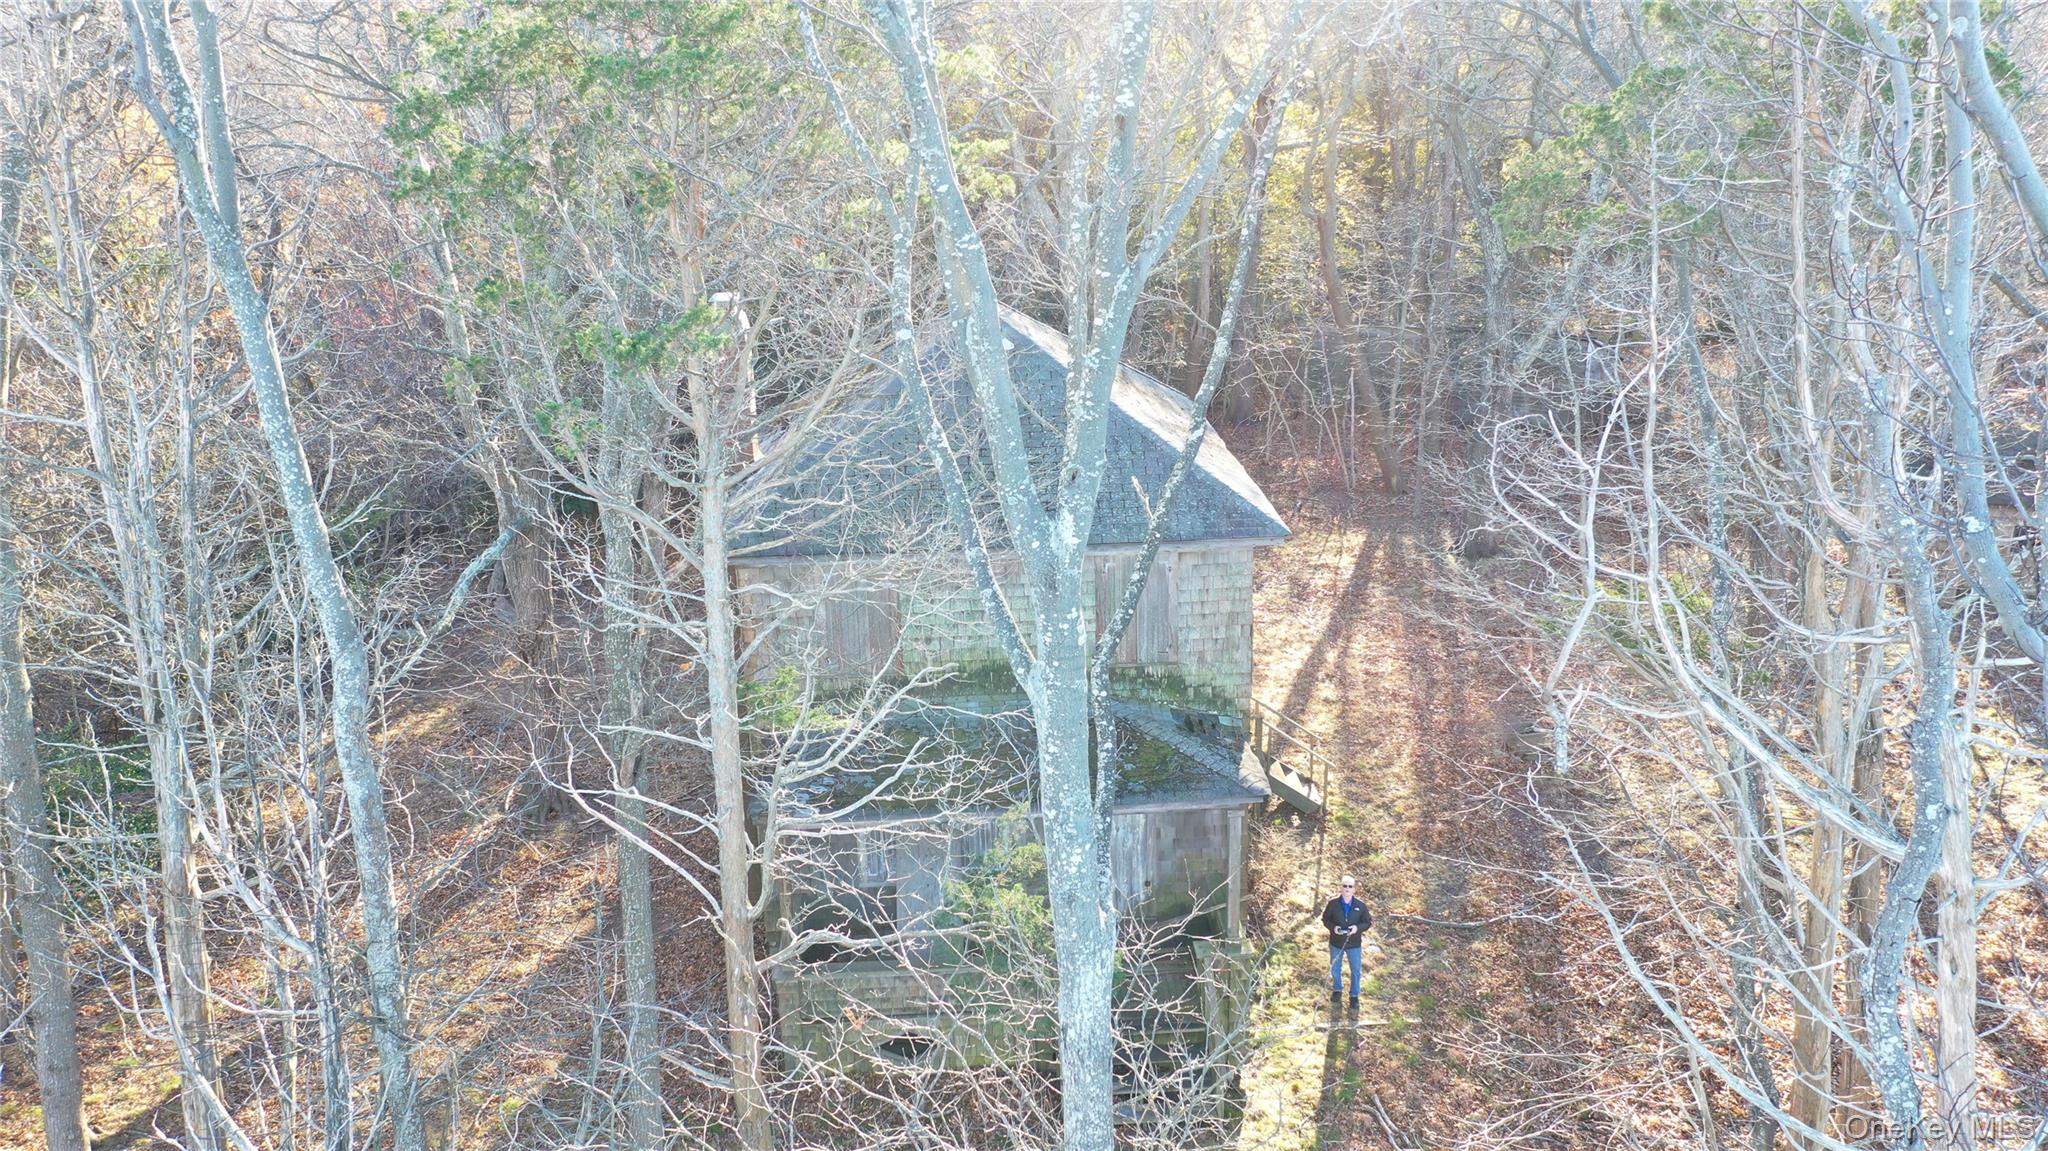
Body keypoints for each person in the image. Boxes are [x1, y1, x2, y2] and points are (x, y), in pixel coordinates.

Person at [1322, 875, 1371, 1007]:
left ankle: (1354, 996)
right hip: (1336, 942)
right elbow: (1325, 920)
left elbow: (1367, 922)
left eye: (1350, 886)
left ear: (1354, 889)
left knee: (1355, 970)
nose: (1347, 888)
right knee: (1335, 968)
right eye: (1345, 886)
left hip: (1354, 943)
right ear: (1341, 888)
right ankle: (1337, 990)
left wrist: (1357, 928)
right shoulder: (1332, 904)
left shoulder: (1361, 905)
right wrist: (1334, 928)